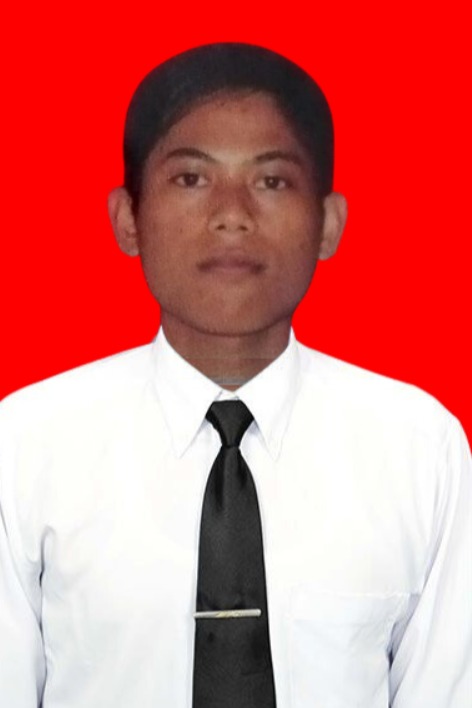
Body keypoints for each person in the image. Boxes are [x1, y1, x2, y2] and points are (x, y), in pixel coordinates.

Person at [0, 42, 470, 708]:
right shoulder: (25, 445)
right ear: (128, 218)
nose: (231, 214)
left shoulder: (420, 450)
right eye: (191, 178)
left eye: (271, 181)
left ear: (329, 224)